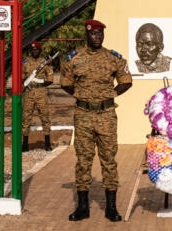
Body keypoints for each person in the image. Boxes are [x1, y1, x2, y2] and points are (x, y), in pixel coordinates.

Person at [61, 19, 133, 222]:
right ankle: (83, 207)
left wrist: (112, 94)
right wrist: (81, 95)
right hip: (83, 116)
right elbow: (65, 83)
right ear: (87, 34)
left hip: (106, 115)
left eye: (100, 34)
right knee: (83, 161)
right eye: (94, 34)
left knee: (109, 161)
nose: (98, 37)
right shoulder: (75, 58)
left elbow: (126, 80)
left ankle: (111, 207)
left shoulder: (112, 58)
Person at [21, 41, 54, 152]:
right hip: (28, 94)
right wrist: (27, 83)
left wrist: (39, 82)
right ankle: (25, 144)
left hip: (41, 94)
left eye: (36, 50)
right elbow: (21, 77)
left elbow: (50, 80)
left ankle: (47, 143)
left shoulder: (45, 63)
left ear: (40, 51)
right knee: (26, 119)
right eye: (33, 49)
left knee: (45, 118)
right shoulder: (25, 62)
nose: (34, 51)